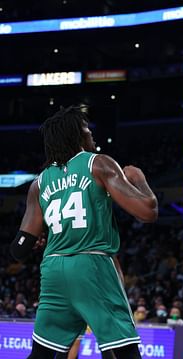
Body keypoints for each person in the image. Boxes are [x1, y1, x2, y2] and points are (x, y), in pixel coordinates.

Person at [10, 106, 158, 359]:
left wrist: (39, 240)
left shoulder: (39, 183)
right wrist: (138, 178)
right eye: (87, 129)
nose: (92, 134)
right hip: (92, 265)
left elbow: (19, 249)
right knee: (125, 351)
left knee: (41, 354)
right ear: (78, 135)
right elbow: (147, 212)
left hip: (54, 269)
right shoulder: (98, 164)